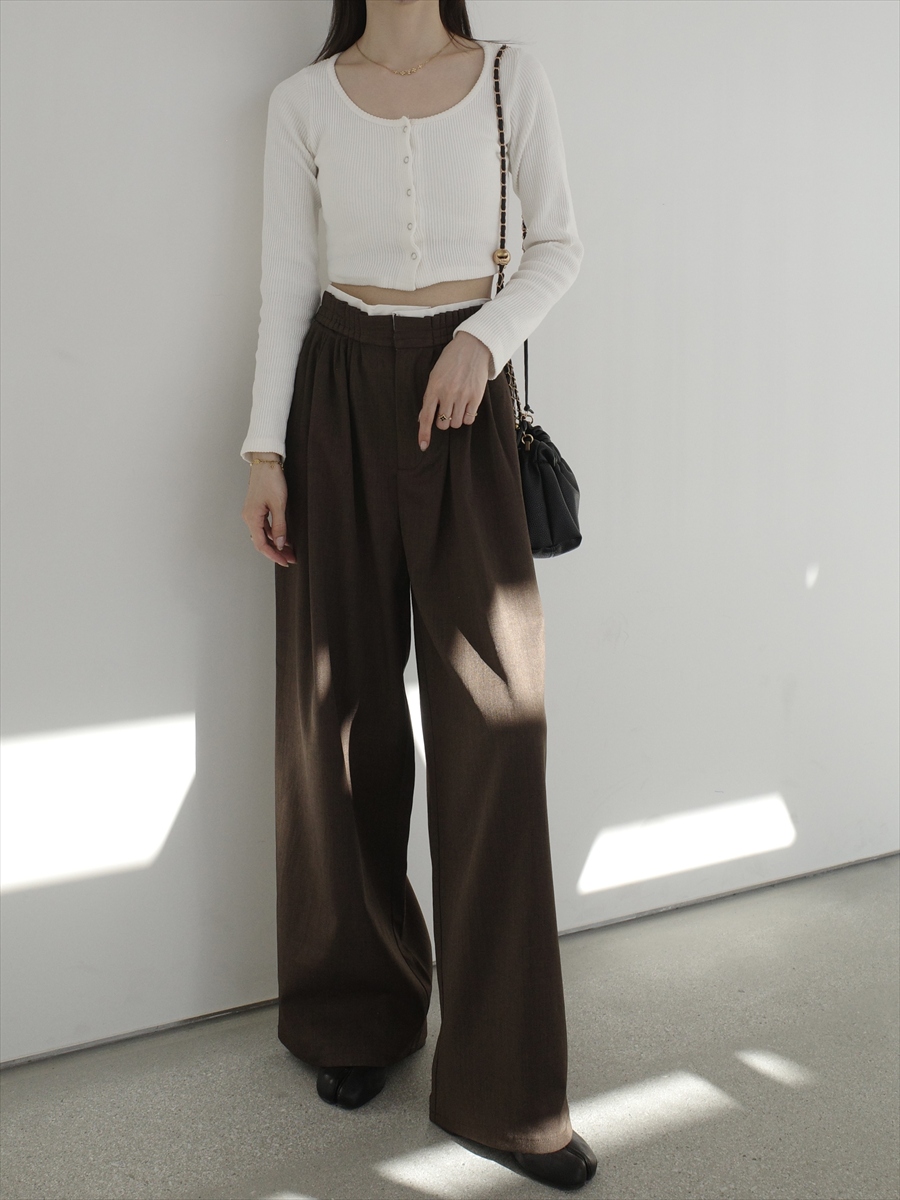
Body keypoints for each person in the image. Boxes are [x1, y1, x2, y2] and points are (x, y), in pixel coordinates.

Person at [240, 0, 595, 1190]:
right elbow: (287, 279)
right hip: (332, 402)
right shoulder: (302, 100)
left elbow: (559, 244)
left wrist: (483, 341)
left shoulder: (506, 75)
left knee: (497, 733)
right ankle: (357, 1015)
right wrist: (263, 450)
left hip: (464, 405)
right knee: (336, 725)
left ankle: (506, 1086)